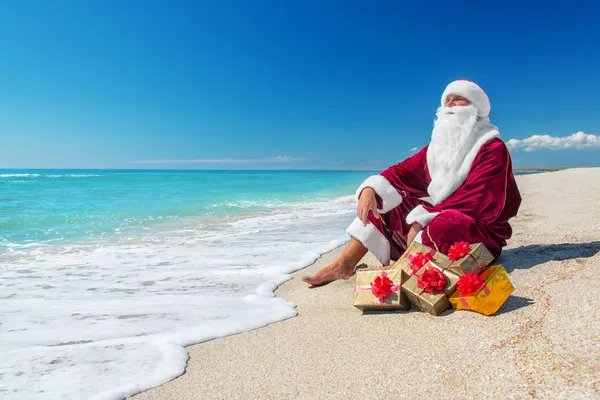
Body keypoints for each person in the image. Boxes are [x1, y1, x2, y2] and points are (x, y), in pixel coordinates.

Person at [302, 79, 522, 286]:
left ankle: (404, 267)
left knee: (442, 224)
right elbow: (401, 173)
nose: (451, 103)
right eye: (447, 100)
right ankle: (344, 265)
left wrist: (423, 220)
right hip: (441, 216)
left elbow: (480, 202)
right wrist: (370, 189)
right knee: (383, 200)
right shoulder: (437, 150)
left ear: (475, 107)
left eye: (459, 98)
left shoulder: (493, 148)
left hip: (480, 231)